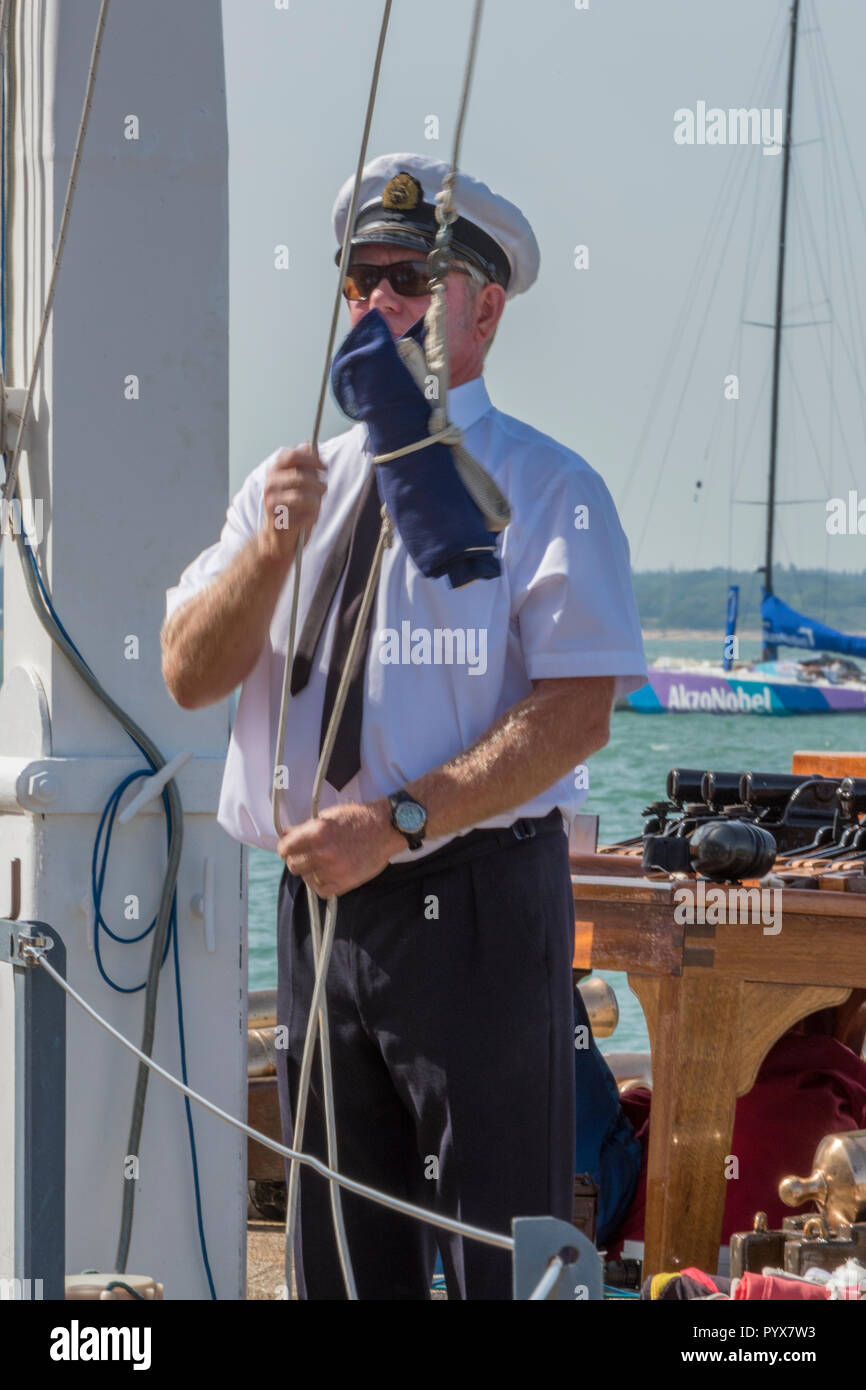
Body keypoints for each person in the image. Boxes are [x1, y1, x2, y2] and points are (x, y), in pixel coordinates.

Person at [161, 152, 647, 1300]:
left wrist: (399, 820)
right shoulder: (289, 487)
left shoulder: (543, 487)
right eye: (361, 279)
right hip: (319, 905)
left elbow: (577, 711)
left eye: (411, 280)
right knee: (336, 1250)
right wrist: (269, 555)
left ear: (483, 305)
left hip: (471, 898)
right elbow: (188, 673)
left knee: (497, 1253)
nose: (379, 302)